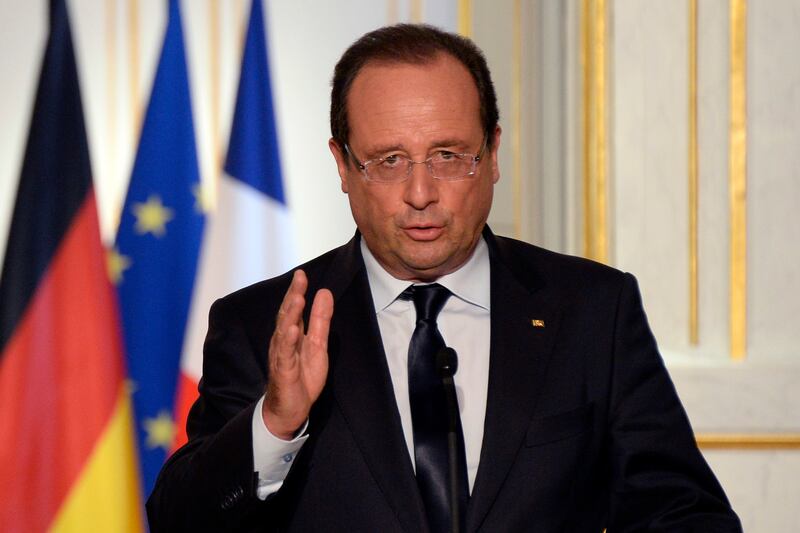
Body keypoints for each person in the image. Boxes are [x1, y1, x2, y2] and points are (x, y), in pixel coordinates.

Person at [147, 24, 741, 532]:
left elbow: (685, 514)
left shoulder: (592, 311)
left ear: (493, 154)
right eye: (389, 161)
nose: (420, 193)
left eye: (448, 156)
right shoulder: (264, 325)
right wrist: (276, 425)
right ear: (343, 166)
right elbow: (178, 522)